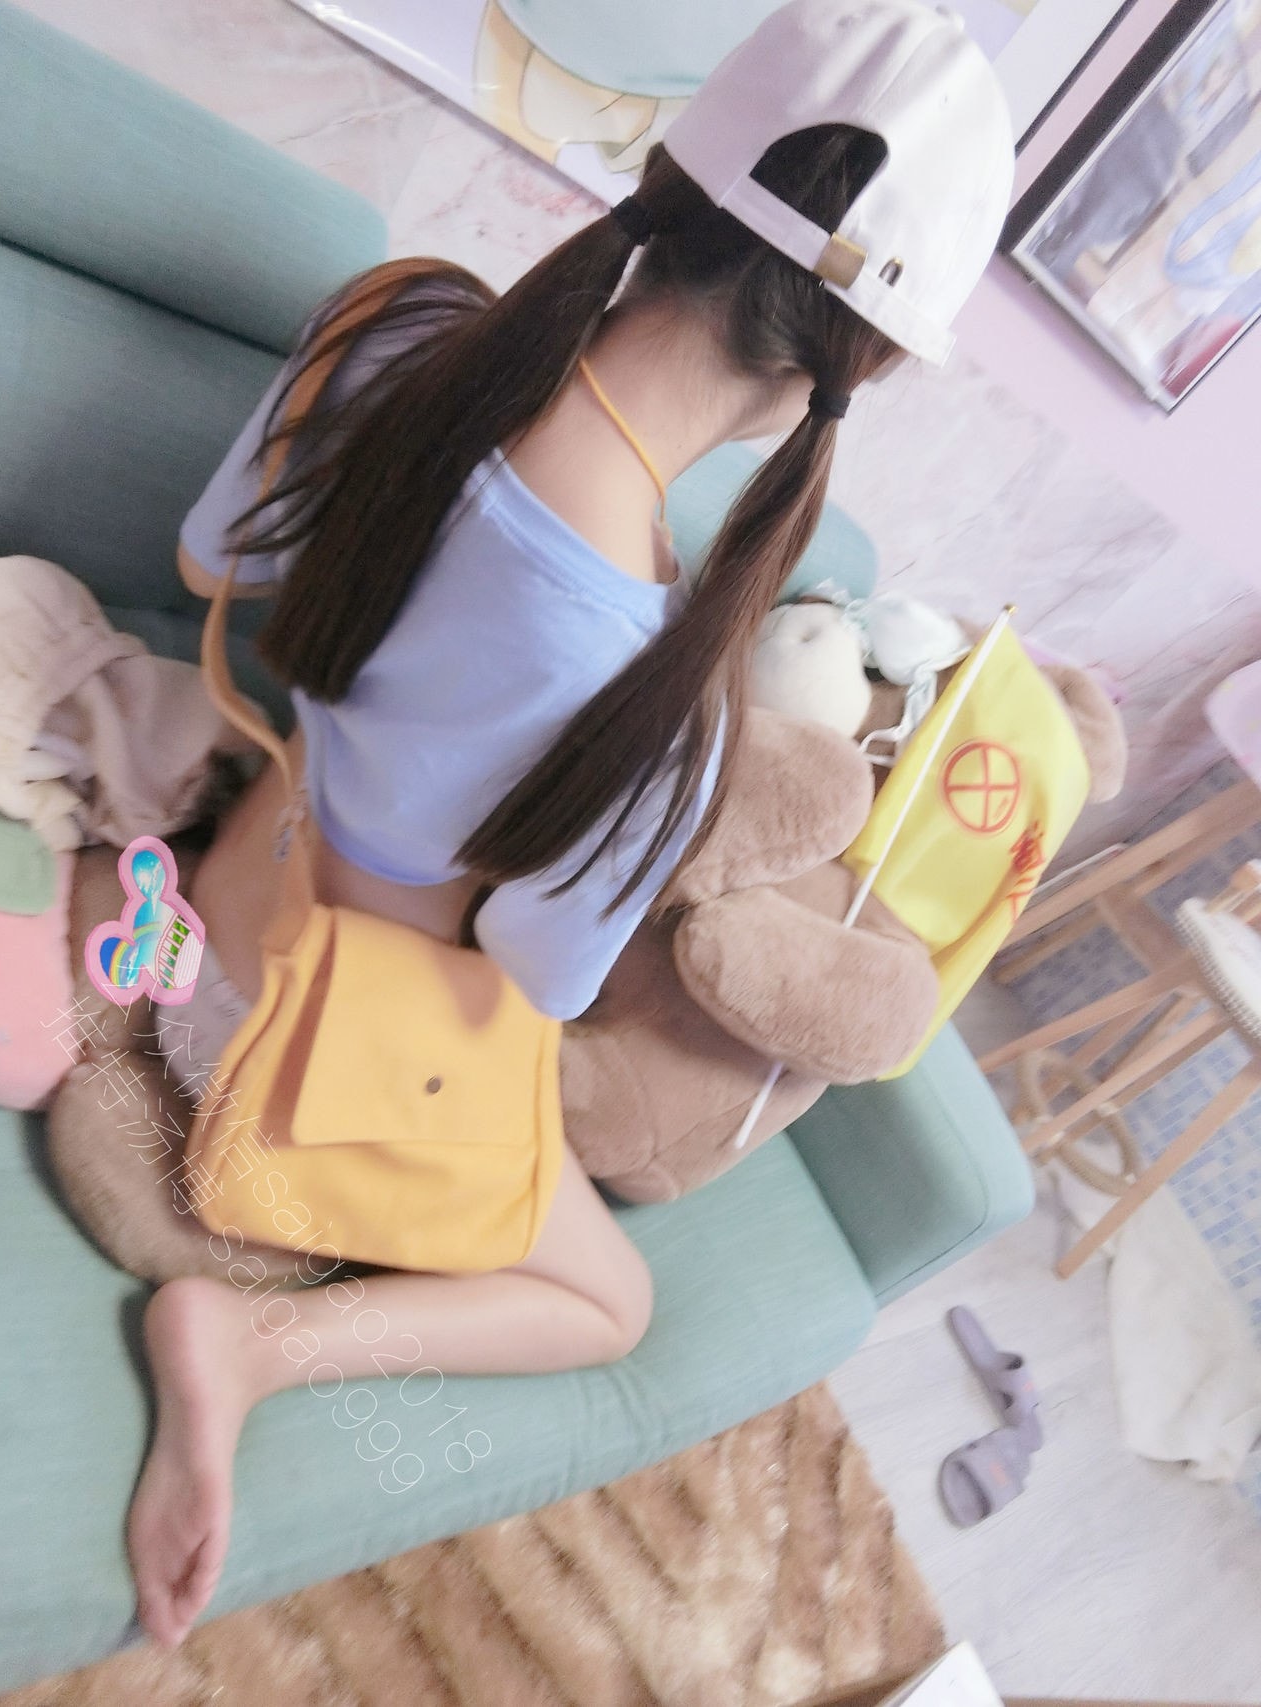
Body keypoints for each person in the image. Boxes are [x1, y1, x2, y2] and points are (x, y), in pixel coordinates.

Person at [126, 0, 1015, 1648]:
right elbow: (536, 980)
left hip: (206, 887)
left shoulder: (401, 318)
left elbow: (208, 562)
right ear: (849, 366)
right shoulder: (661, 699)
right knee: (608, 1299)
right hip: (286, 1047)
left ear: (673, 182)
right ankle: (246, 1345)